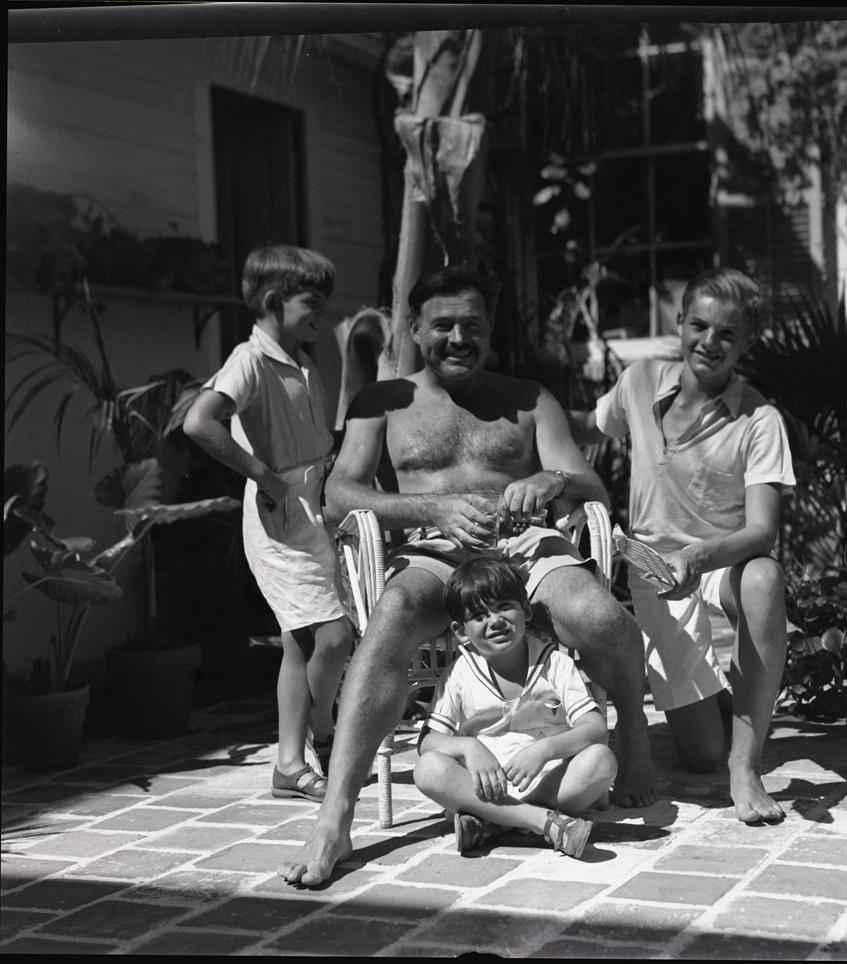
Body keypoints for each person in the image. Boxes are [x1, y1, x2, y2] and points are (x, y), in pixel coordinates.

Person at [277, 265, 655, 887]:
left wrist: (550, 480)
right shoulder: (383, 401)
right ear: (415, 328)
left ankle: (633, 737)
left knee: (600, 615)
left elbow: (592, 486)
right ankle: (336, 815)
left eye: (472, 325)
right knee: (391, 617)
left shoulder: (529, 398)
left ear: (489, 329)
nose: (458, 338)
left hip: (524, 543)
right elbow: (339, 495)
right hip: (433, 547)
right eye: (443, 325)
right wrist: (430, 508)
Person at [574, 266, 795, 824]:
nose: (710, 343)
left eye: (727, 333)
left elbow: (762, 531)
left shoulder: (760, 419)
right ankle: (737, 705)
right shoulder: (641, 379)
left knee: (766, 577)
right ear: (680, 323)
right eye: (699, 326)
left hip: (720, 563)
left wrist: (696, 557)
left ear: (747, 341)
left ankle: (747, 770)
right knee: (699, 755)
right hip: (654, 571)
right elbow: (590, 426)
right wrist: (525, 423)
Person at [183, 244, 354, 803]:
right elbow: (199, 422)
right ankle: (325, 735)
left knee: (300, 643)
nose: (322, 312)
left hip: (315, 504)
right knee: (330, 635)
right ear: (276, 301)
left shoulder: (299, 357)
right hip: (281, 511)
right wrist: (265, 476)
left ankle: (289, 763)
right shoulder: (249, 360)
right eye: (313, 302)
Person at [414, 557, 616, 858]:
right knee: (428, 769)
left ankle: (496, 821)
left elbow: (595, 728)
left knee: (601, 760)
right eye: (480, 615)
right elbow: (427, 743)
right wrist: (469, 747)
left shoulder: (555, 663)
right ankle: (540, 821)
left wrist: (545, 750)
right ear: (460, 631)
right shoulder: (460, 673)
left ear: (526, 610)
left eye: (504, 607)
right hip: (485, 786)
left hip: (550, 782)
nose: (495, 621)